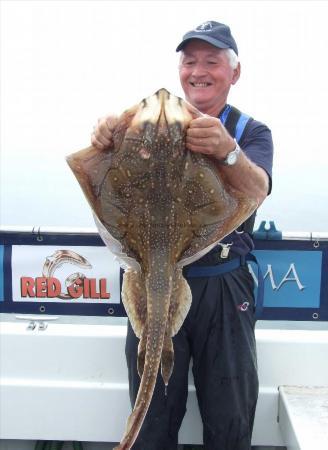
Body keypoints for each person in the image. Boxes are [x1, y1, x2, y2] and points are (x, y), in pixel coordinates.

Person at [91, 21, 273, 450]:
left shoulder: (250, 132)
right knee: (152, 419)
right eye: (189, 61)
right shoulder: (138, 129)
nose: (198, 71)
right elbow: (100, 171)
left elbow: (258, 190)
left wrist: (227, 150)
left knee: (230, 417)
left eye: (212, 61)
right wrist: (104, 139)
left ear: (235, 72)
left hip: (224, 285)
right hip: (150, 274)